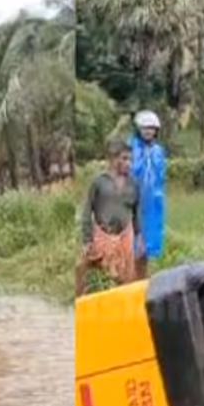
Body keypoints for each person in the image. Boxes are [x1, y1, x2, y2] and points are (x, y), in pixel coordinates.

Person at [75, 139, 141, 298]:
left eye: (131, 159)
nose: (129, 163)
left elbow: (137, 214)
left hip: (125, 237)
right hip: (102, 236)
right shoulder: (99, 182)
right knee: (82, 267)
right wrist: (86, 240)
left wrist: (139, 238)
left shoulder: (134, 184)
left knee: (127, 277)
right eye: (124, 159)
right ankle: (79, 302)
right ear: (113, 160)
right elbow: (87, 211)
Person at [130, 110, 167, 279]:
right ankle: (129, 280)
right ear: (138, 129)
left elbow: (160, 176)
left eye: (151, 128)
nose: (148, 131)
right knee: (132, 242)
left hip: (152, 203)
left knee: (147, 244)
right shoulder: (132, 147)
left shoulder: (158, 151)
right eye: (145, 128)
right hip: (133, 200)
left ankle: (142, 279)